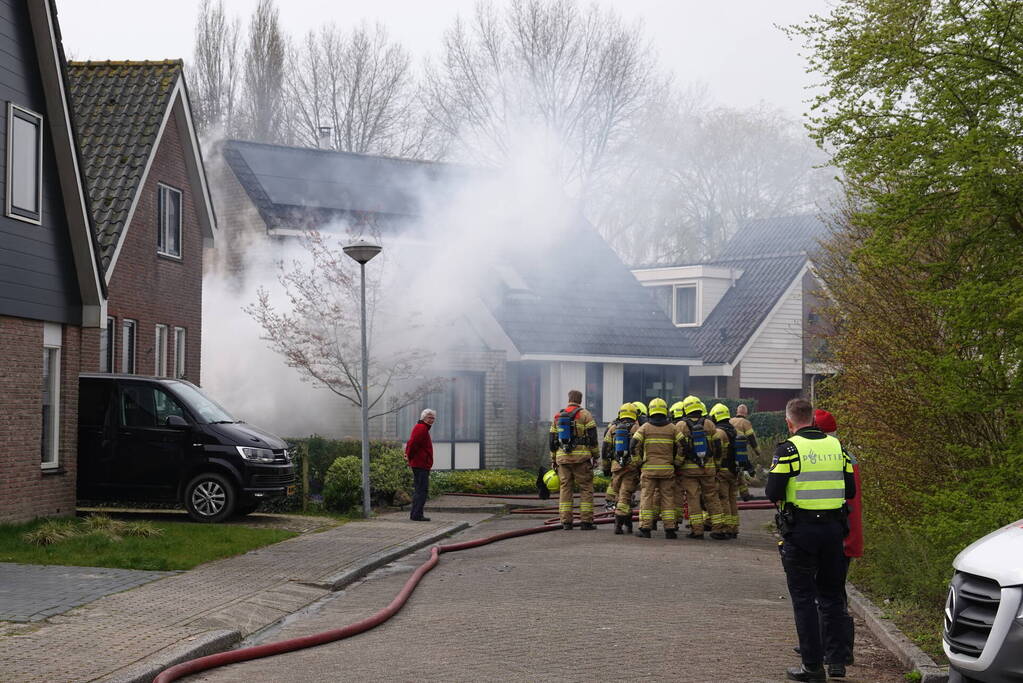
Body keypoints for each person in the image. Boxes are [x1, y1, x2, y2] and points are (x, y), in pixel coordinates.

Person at [768, 398, 856, 681]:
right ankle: (837, 661)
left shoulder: (789, 449)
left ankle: (812, 667)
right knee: (832, 596)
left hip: (802, 533)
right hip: (833, 531)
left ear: (789, 421)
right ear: (813, 420)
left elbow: (772, 491)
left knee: (804, 599)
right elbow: (851, 489)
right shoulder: (837, 447)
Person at [815, 408, 861, 668]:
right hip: (842, 535)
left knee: (832, 596)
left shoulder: (834, 458)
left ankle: (839, 650)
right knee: (830, 594)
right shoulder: (845, 456)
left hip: (837, 536)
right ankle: (828, 645)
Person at [629, 398, 683, 538]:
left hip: (649, 470)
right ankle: (670, 530)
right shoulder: (673, 428)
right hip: (667, 470)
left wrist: (638, 462)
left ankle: (645, 529)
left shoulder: (645, 427)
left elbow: (633, 445)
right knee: (668, 499)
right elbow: (684, 445)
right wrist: (677, 462)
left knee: (647, 497)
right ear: (665, 411)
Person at [676, 395, 728, 539]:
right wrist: (716, 464)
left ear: (686, 409)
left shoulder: (680, 425)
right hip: (708, 469)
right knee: (712, 498)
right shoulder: (710, 424)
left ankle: (697, 530)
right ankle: (718, 529)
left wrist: (678, 463)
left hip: (689, 470)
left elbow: (679, 447)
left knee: (693, 499)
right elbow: (718, 447)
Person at [549, 390, 600, 530]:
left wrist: (553, 458)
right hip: (581, 459)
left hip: (562, 459)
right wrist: (595, 456)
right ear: (580, 400)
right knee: (586, 488)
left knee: (565, 489)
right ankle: (586, 522)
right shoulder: (585, 415)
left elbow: (552, 441)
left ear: (569, 399)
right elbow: (593, 438)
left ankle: (566, 522)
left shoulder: (558, 416)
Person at [710, 403, 755, 539]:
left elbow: (716, 452)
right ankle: (734, 528)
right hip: (734, 470)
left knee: (723, 499)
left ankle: (725, 528)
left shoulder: (719, 432)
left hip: (722, 471)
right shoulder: (734, 431)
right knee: (732, 500)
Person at [600, 403, 641, 535]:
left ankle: (627, 525)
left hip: (616, 466)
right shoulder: (637, 428)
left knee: (621, 494)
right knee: (625, 495)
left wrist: (605, 467)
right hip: (631, 467)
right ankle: (618, 525)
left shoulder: (613, 428)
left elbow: (605, 449)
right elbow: (641, 448)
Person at [405, 408, 435, 522]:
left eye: (433, 418)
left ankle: (415, 514)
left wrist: (407, 454)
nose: (431, 420)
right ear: (423, 417)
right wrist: (409, 456)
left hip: (420, 464)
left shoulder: (422, 428)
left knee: (420, 490)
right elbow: (412, 444)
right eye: (429, 417)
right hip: (420, 464)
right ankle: (417, 515)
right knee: (422, 490)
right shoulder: (421, 428)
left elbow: (410, 442)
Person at [734, 403, 761, 501]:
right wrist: (758, 451)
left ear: (737, 412)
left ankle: (745, 494)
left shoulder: (730, 421)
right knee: (746, 469)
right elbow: (751, 439)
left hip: (729, 452)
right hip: (740, 452)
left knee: (739, 472)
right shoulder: (745, 422)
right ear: (746, 413)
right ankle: (745, 492)